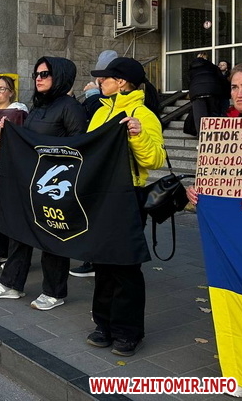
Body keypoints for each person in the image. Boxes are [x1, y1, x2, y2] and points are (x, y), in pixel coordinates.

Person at [0, 57, 87, 311]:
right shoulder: (38, 106)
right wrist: (11, 131)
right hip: (31, 181)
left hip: (55, 185)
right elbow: (29, 140)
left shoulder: (70, 108)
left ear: (59, 76)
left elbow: (78, 146)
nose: (38, 78)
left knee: (53, 237)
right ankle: (11, 284)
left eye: (45, 74)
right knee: (20, 232)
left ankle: (54, 292)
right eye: (36, 74)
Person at [84, 56, 165, 357]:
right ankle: (103, 325)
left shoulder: (144, 114)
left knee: (126, 267)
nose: (99, 82)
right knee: (102, 263)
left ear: (121, 82)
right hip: (100, 197)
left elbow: (155, 159)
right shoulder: (100, 112)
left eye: (104, 77)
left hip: (128, 196)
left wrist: (138, 134)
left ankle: (128, 331)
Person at [186, 63, 242, 397]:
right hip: (228, 227)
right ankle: (238, 370)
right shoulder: (221, 130)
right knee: (228, 295)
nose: (240, 93)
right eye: (235, 87)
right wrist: (197, 192)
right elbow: (212, 174)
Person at [70, 50, 119, 278]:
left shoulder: (133, 105)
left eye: (104, 77)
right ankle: (94, 261)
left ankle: (103, 263)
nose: (100, 81)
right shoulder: (101, 100)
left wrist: (92, 97)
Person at [0, 75, 29, 267]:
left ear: (11, 92)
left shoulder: (18, 111)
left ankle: (13, 253)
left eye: (2, 89)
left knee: (9, 211)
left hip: (10, 169)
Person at [184, 53, 230, 135]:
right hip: (213, 91)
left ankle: (202, 137)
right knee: (214, 114)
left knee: (200, 117)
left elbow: (188, 82)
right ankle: (216, 135)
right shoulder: (213, 67)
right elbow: (221, 80)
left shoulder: (191, 69)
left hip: (197, 92)